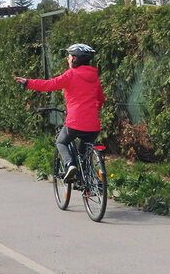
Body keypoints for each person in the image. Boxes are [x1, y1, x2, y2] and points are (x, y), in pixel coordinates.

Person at [14, 43, 105, 182]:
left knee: (61, 142)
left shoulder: (71, 74)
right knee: (84, 154)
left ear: (75, 59)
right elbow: (100, 98)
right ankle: (88, 182)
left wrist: (28, 82)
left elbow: (49, 84)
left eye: (69, 57)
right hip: (93, 124)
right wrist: (94, 108)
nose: (68, 59)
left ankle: (69, 164)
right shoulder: (94, 77)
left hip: (75, 122)